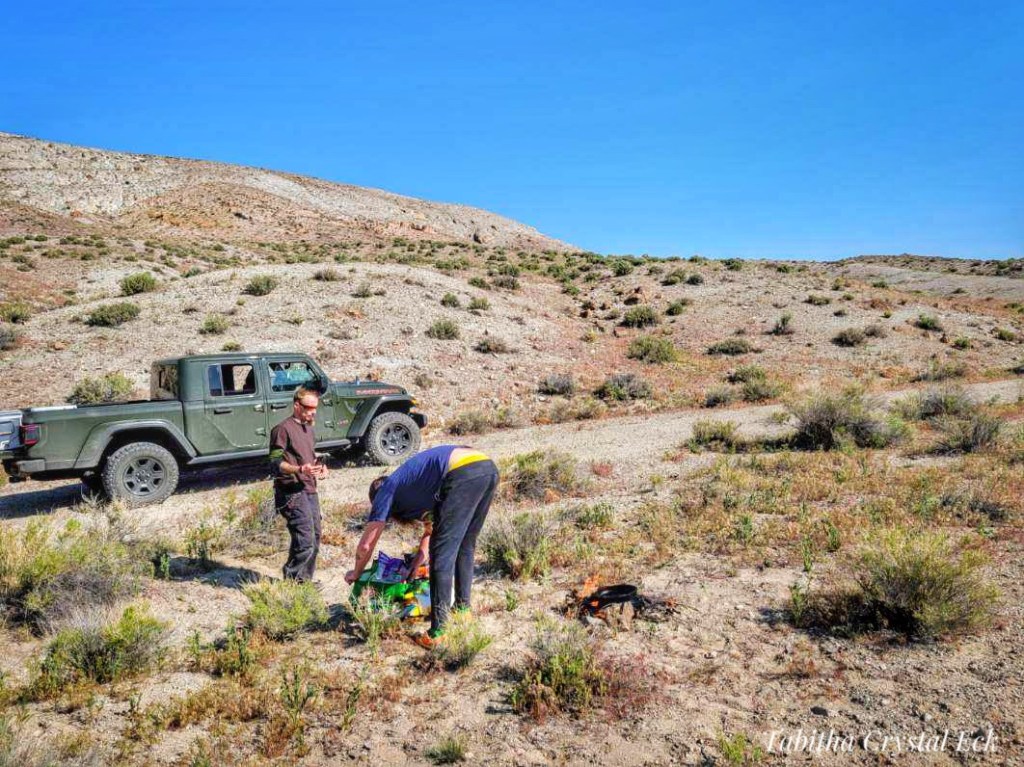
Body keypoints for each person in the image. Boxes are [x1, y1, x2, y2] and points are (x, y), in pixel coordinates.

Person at [344, 445, 499, 647]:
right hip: (486, 467)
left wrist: (356, 572)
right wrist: (416, 563)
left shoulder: (385, 490)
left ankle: (438, 633)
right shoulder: (415, 489)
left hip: (461, 473)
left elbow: (366, 545)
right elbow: (430, 531)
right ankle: (462, 610)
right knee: (465, 545)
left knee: (441, 554)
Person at [269, 387, 327, 581]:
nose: (313, 412)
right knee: (305, 541)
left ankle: (304, 581)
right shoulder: (282, 430)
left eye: (315, 408)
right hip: (291, 491)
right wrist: (300, 469)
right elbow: (275, 462)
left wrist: (320, 468)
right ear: (296, 405)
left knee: (315, 539)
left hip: (309, 488)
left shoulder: (308, 428)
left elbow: (308, 456)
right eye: (309, 408)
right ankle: (293, 582)